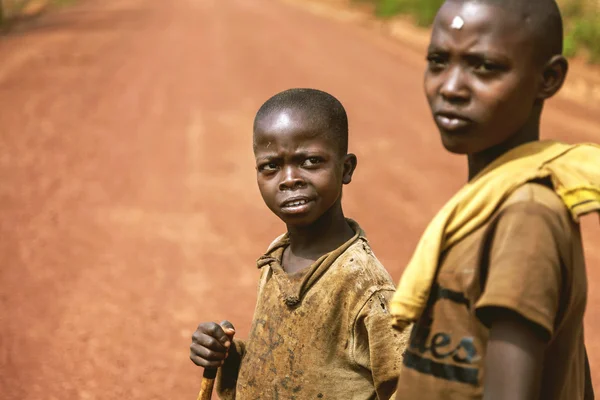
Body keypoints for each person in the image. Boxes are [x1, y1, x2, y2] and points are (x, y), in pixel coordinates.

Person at [389, 0, 600, 399]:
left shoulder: (526, 217)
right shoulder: (492, 199)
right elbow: (569, 356)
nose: (450, 87)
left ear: (549, 78)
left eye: (484, 66)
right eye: (437, 60)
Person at [190, 88, 409, 399]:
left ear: (345, 169)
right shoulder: (277, 258)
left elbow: (407, 385)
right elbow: (287, 364)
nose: (289, 178)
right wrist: (226, 355)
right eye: (271, 166)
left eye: (310, 161)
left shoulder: (365, 285)